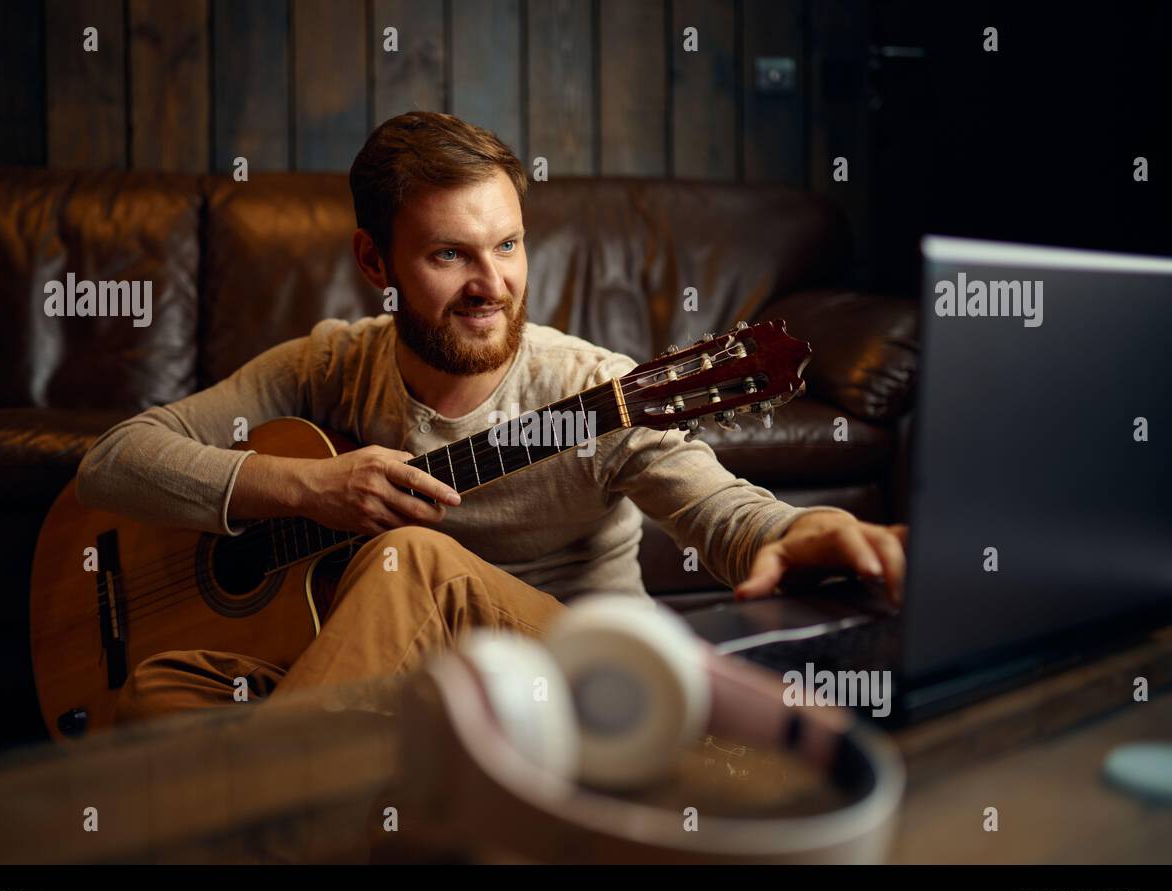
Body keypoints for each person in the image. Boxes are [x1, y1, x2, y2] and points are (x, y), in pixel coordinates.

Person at [75, 111, 907, 725]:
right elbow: (114, 460)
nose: (491, 284)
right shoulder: (331, 365)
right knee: (158, 689)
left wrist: (794, 530)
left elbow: (723, 509)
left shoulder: (598, 393)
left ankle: (280, 821)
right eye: (450, 255)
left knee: (409, 559)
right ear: (376, 261)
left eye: (507, 246)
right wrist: (305, 487)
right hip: (416, 691)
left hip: (572, 682)